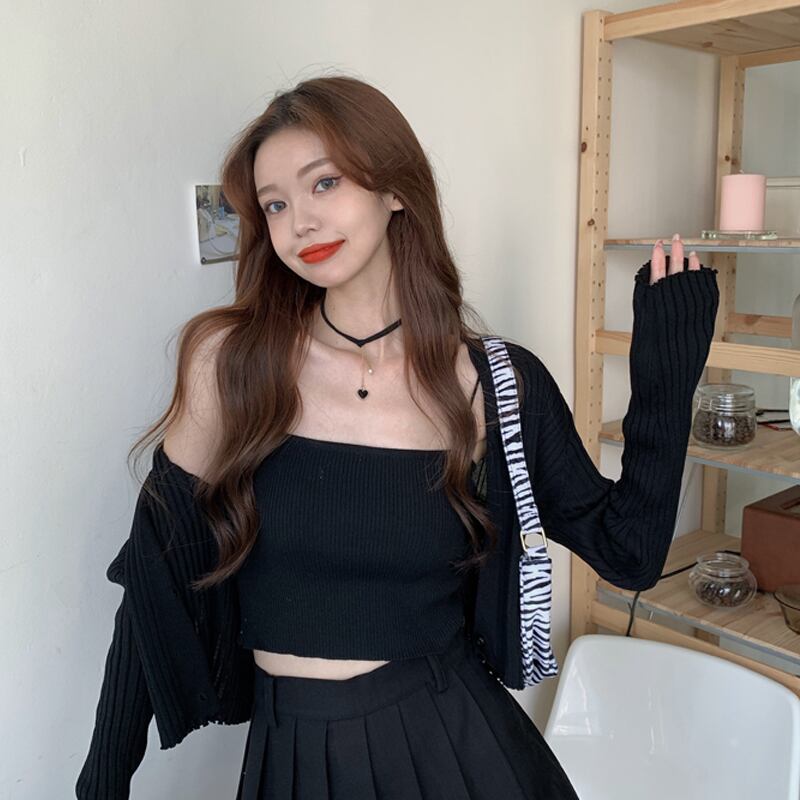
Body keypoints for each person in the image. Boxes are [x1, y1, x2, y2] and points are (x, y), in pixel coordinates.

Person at [75, 75, 719, 799]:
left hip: (455, 750)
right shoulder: (230, 364)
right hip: (290, 758)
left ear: (394, 190)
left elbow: (629, 554)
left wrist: (665, 382)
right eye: (276, 204)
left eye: (325, 184)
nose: (300, 223)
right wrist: (100, 783)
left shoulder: (491, 385)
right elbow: (153, 583)